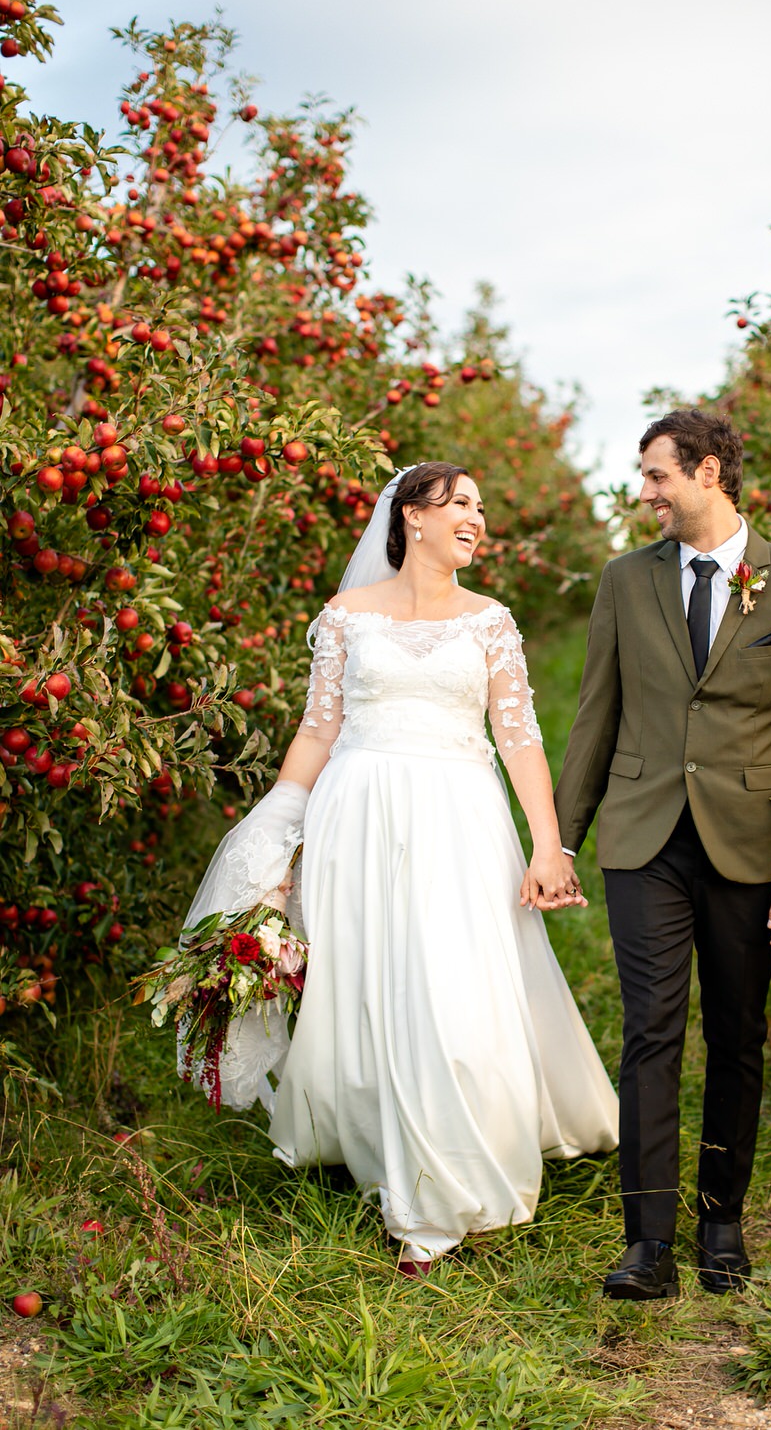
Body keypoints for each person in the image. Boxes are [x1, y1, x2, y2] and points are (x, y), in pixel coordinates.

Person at [183, 462, 618, 1275]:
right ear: (410, 517)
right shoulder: (347, 617)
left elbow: (519, 737)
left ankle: (451, 1182)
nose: (477, 519)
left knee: (454, 985)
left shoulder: (490, 621)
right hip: (358, 814)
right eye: (460, 503)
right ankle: (391, 1159)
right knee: (373, 983)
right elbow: (319, 729)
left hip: (459, 816)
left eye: (481, 506)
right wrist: (278, 822)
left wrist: (547, 844)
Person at [554, 409, 771, 1300]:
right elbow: (595, 712)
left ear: (709, 472)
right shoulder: (622, 580)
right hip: (642, 838)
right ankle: (647, 1244)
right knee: (649, 1033)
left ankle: (722, 1224)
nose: (645, 495)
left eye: (656, 477)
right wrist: (560, 839)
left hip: (752, 845)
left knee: (738, 1033)